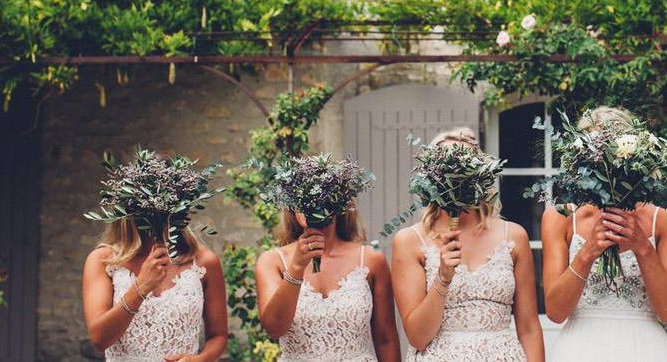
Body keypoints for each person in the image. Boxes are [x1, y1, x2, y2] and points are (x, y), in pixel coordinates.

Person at [392, 127, 544, 361]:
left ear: (480, 175)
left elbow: (529, 328)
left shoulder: (514, 236)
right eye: (447, 170)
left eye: (464, 168)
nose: (457, 178)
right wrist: (442, 278)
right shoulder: (410, 240)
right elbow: (418, 337)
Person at [542, 106, 667, 360]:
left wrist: (643, 247)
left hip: (645, 348)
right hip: (580, 349)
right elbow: (555, 312)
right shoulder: (560, 218)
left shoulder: (660, 220)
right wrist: (587, 252)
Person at [255, 207, 401, 361]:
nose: (316, 205)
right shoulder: (272, 261)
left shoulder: (371, 258)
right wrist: (296, 268)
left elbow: (386, 339)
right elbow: (274, 329)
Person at [83, 217, 227, 362]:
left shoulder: (204, 261)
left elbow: (218, 336)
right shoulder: (103, 261)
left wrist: (200, 359)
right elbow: (100, 340)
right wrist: (140, 288)